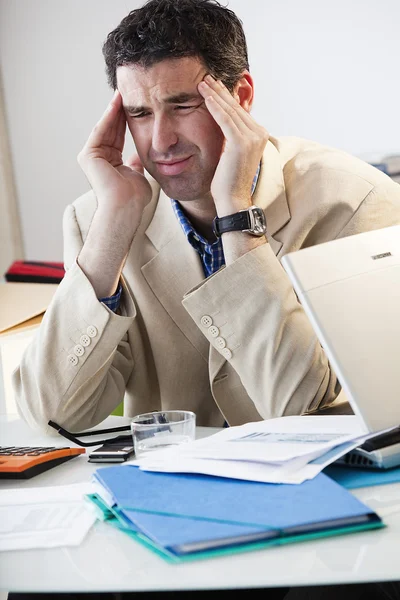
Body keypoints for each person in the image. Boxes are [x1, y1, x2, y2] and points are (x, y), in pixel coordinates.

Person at [13, 0, 400, 436]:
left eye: (182, 106)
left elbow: (304, 414)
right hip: (167, 488)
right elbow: (51, 415)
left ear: (242, 96)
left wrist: (236, 214)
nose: (160, 141)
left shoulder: (360, 203)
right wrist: (112, 226)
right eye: (139, 113)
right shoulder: (98, 220)